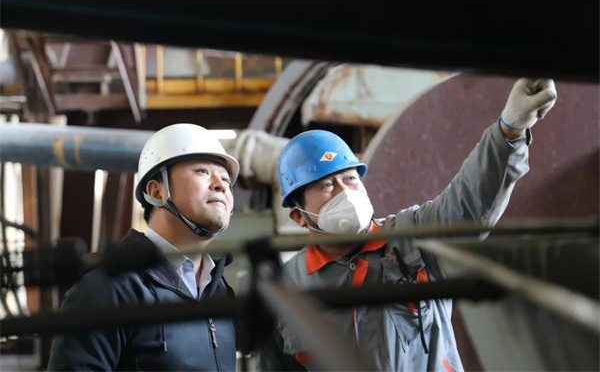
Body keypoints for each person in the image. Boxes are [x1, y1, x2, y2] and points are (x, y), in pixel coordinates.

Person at [269, 78, 557, 371]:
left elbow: (468, 201)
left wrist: (509, 129)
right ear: (299, 216)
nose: (346, 193)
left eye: (350, 179)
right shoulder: (285, 289)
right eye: (327, 185)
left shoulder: (412, 238)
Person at [48, 123, 240, 371]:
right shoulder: (108, 290)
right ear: (157, 191)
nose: (221, 185)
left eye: (225, 179)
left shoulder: (219, 291)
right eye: (202, 172)